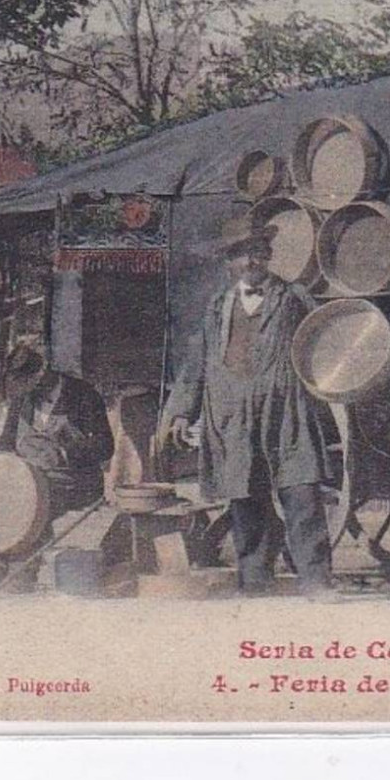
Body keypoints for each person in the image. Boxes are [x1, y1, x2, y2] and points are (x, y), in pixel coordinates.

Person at [160, 213, 334, 595]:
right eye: (242, 255)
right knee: (245, 500)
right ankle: (255, 580)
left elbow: (323, 347)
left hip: (287, 413)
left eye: (257, 253)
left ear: (268, 256)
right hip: (231, 417)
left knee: (301, 494)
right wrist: (180, 412)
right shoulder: (218, 306)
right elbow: (197, 362)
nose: (251, 262)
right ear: (229, 263)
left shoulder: (293, 298)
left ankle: (317, 581)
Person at [0, 342, 114, 589]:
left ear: (41, 373)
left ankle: (23, 569)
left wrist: (66, 450)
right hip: (29, 474)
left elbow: (105, 447)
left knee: (31, 498)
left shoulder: (83, 395)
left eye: (27, 383)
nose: (23, 391)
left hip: (74, 479)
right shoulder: (23, 400)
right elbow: (6, 442)